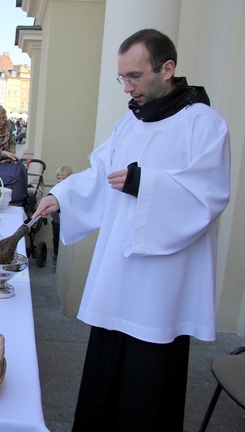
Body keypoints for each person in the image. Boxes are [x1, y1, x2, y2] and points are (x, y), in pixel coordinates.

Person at [32, 29, 231, 431]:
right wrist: (64, 197)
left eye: (135, 76)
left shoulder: (204, 124)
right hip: (119, 271)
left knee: (148, 385)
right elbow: (104, 173)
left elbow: (209, 194)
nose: (128, 87)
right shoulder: (130, 122)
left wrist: (146, 184)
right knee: (105, 369)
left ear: (168, 68)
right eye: (122, 78)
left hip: (162, 283)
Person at [50, 165, 72, 269]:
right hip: (56, 221)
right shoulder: (55, 189)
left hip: (67, 222)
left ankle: (64, 260)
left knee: (65, 240)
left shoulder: (71, 190)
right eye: (59, 178)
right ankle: (56, 256)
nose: (61, 180)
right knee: (56, 239)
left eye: (64, 178)